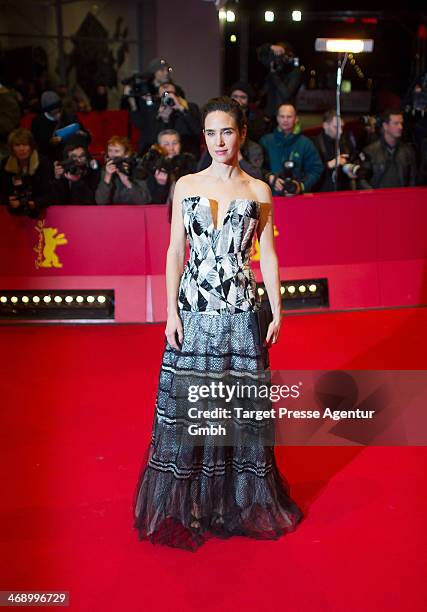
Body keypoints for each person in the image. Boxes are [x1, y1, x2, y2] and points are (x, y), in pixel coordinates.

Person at [132, 96, 304, 551]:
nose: (218, 141)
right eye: (210, 132)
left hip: (240, 313)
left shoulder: (259, 190)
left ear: (242, 133)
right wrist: (170, 311)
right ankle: (192, 501)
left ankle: (233, 501)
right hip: (192, 310)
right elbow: (174, 251)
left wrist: (279, 308)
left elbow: (267, 253)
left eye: (226, 131)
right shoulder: (186, 184)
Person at [260, 103, 323, 195]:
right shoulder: (266, 141)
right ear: (277, 118)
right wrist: (269, 177)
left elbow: (316, 169)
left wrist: (300, 186)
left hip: (297, 197)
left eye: (289, 117)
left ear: (296, 118)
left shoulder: (305, 143)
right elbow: (257, 168)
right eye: (282, 116)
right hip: (272, 196)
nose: (285, 120)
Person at [358, 109, 417, 189]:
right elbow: (362, 180)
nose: (400, 127)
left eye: (401, 123)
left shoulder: (408, 151)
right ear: (385, 126)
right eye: (396, 123)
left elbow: (412, 180)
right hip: (378, 198)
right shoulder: (370, 151)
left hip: (402, 198)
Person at [0, 127, 53, 218]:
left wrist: (36, 203)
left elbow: (50, 193)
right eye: (17, 145)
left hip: (40, 211)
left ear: (31, 147)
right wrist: (8, 200)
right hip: (13, 213)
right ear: (12, 149)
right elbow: (2, 190)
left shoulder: (43, 163)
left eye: (25, 144)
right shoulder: (5, 163)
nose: (21, 149)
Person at [31, 90, 90, 162]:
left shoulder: (69, 116)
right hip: (50, 159)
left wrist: (83, 135)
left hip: (71, 156)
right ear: (47, 111)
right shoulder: (38, 122)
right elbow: (36, 146)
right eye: (54, 112)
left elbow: (88, 138)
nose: (58, 114)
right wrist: (51, 143)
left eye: (59, 110)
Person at [95, 136, 151, 205]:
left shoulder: (138, 170)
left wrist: (127, 182)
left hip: (135, 212)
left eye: (116, 151)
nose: (112, 155)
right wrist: (107, 177)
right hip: (113, 212)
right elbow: (101, 202)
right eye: (110, 150)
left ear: (126, 154)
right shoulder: (106, 170)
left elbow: (144, 201)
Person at [312, 109, 358, 192]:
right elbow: (311, 172)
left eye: (342, 127)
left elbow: (352, 159)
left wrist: (350, 169)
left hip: (344, 191)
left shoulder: (345, 141)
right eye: (336, 127)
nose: (340, 131)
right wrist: (330, 164)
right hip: (322, 193)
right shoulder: (315, 143)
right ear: (325, 125)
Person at [257, 42, 303, 119]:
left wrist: (274, 74)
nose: (278, 57)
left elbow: (286, 94)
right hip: (268, 114)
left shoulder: (295, 72)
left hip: (284, 115)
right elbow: (259, 54)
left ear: (289, 55)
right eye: (276, 54)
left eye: (281, 54)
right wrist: (270, 47)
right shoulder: (274, 66)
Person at [51, 140, 99, 205]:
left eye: (82, 156)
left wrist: (78, 182)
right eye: (74, 157)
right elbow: (58, 202)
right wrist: (58, 179)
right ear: (66, 159)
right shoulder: (63, 170)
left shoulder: (92, 171)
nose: (79, 160)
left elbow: (91, 201)